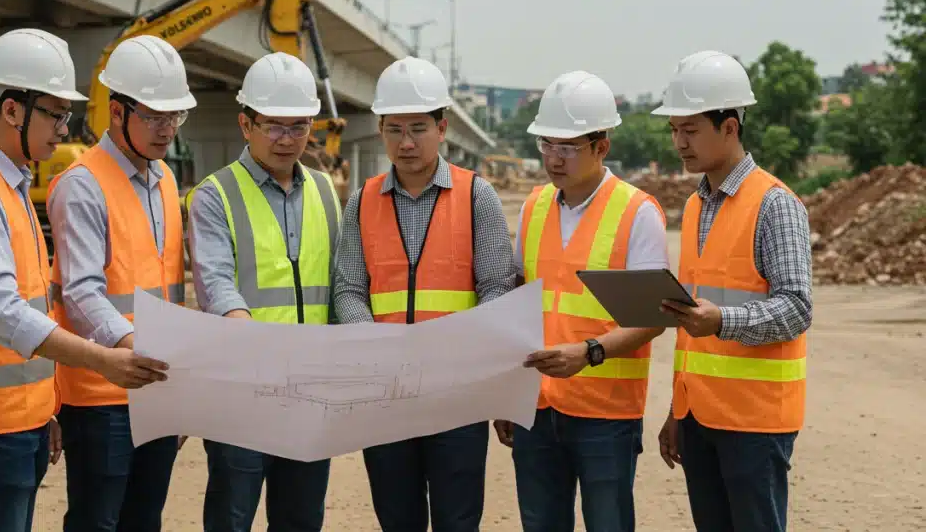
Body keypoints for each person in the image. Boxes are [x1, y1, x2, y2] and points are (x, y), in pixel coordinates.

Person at [0, 28, 171, 532]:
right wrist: (103, 359)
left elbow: (37, 306)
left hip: (18, 417)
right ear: (12, 109)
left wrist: (47, 407)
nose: (64, 129)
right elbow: (3, 313)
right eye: (55, 114)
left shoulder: (9, 185)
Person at [333, 56, 516, 532]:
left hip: (456, 396)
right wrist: (376, 345)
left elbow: (497, 286)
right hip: (386, 397)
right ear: (380, 130)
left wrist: (457, 349)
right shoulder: (361, 201)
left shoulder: (479, 196)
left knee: (458, 521)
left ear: (443, 127)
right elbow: (349, 289)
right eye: (395, 130)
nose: (407, 142)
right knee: (398, 520)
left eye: (419, 128)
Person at [491, 70, 670, 532]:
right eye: (547, 145)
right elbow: (518, 300)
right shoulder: (533, 207)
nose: (554, 158)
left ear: (601, 147)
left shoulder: (637, 212)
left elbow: (652, 318)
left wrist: (588, 353)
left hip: (605, 415)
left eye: (567, 147)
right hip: (538, 406)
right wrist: (509, 396)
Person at [651, 50, 813, 532]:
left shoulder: (775, 205)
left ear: (730, 127)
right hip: (701, 417)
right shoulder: (698, 205)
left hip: (756, 422)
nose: (679, 142)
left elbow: (796, 308)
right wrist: (678, 409)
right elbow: (693, 319)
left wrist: (722, 320)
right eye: (674, 130)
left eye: (691, 130)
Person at [186, 51, 342, 532]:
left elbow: (339, 285)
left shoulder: (325, 190)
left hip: (310, 394)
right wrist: (254, 341)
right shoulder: (215, 194)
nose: (286, 139)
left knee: (301, 520)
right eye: (273, 126)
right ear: (245, 123)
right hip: (242, 395)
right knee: (232, 519)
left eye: (298, 127)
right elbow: (215, 283)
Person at [46, 35, 195, 532]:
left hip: (155, 386)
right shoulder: (81, 185)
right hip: (101, 394)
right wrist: (135, 347)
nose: (166, 129)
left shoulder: (166, 180)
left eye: (174, 117)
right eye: (154, 116)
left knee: (143, 520)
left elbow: (169, 287)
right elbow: (82, 291)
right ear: (116, 112)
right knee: (97, 521)